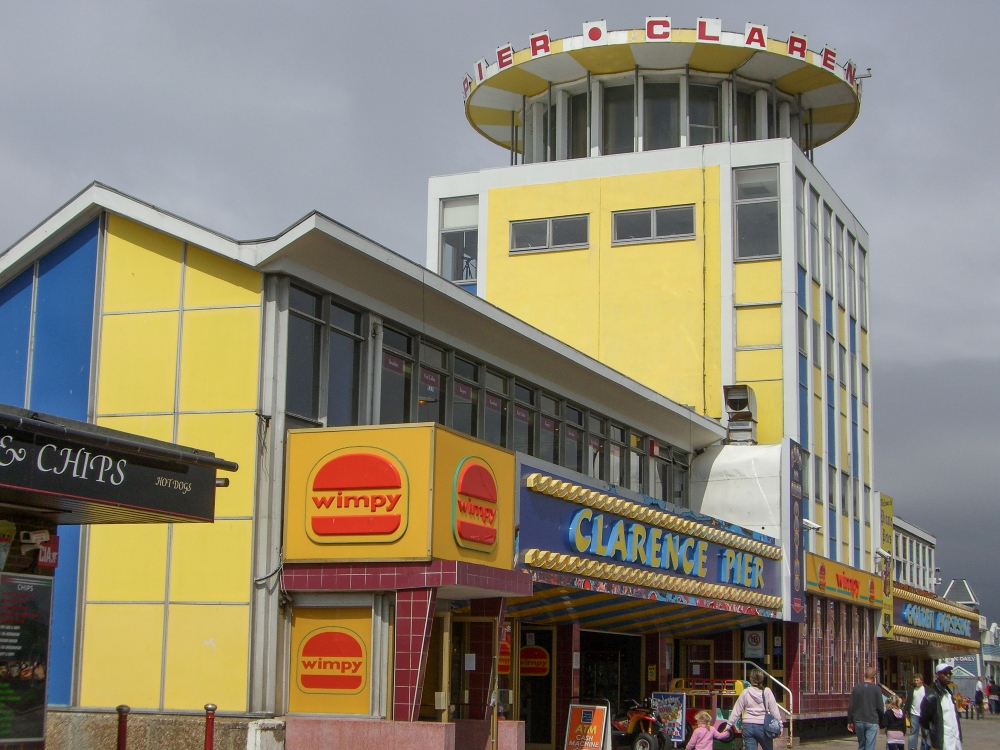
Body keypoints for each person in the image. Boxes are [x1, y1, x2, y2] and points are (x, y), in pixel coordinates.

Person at [727, 668, 782, 750]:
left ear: (751, 679)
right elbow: (774, 711)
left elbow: (736, 710)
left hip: (748, 726)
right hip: (763, 726)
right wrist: (780, 726)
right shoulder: (767, 692)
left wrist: (728, 725)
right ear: (762, 679)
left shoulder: (745, 692)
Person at [919, 663, 963, 750]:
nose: (948, 675)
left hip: (954, 741)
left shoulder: (949, 694)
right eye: (945, 673)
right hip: (942, 742)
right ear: (937, 675)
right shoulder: (931, 696)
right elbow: (924, 720)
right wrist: (933, 735)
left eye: (949, 673)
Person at [847, 666, 885, 750]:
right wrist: (882, 722)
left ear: (864, 675)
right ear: (874, 677)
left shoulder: (857, 687)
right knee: (870, 746)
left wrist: (850, 721)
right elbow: (880, 707)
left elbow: (851, 706)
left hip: (859, 720)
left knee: (861, 745)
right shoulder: (877, 689)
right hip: (872, 720)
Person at [903, 674, 927, 750]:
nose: (916, 682)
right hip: (914, 713)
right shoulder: (912, 689)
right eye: (915, 680)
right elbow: (908, 701)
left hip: (924, 714)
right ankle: (912, 748)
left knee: (925, 733)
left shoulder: (926, 689)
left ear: (921, 681)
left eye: (917, 680)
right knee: (913, 732)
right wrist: (905, 711)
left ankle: (924, 748)